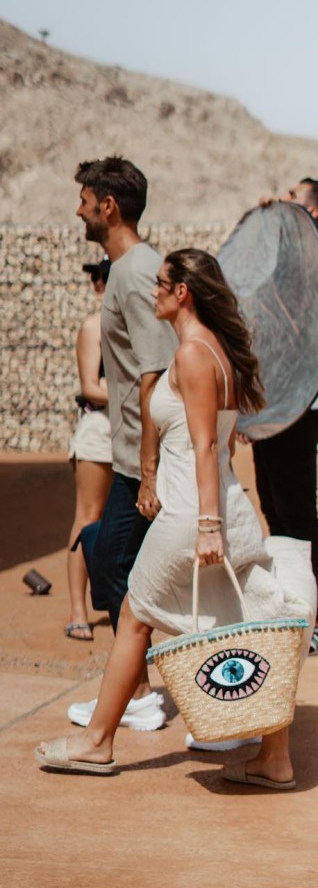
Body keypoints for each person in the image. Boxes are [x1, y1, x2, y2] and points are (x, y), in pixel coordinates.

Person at [36, 248, 314, 787]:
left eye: (160, 284)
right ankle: (274, 757)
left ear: (182, 292)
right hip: (222, 503)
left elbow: (206, 444)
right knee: (257, 623)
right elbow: (222, 443)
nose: (153, 293)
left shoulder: (191, 354)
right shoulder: (218, 353)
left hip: (193, 511)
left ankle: (97, 741)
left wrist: (207, 524)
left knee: (134, 615)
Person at [69, 156, 177, 732]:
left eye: (85, 202)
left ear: (108, 207)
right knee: (110, 554)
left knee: (111, 556)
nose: (79, 211)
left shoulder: (136, 273)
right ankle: (137, 689)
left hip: (145, 457)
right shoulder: (128, 269)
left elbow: (155, 370)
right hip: (136, 453)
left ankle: (141, 693)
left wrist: (151, 469)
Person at [250, 178, 318, 655]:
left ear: (313, 214)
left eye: (293, 196)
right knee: (275, 511)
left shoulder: (308, 261)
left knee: (299, 515)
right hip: (274, 408)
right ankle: (293, 606)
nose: (284, 198)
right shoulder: (291, 256)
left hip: (297, 411)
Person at [64, 257, 114, 641]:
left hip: (132, 432)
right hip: (99, 431)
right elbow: (90, 388)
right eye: (100, 279)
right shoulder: (93, 326)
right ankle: (78, 611)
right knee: (88, 516)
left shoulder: (144, 326)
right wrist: (135, 394)